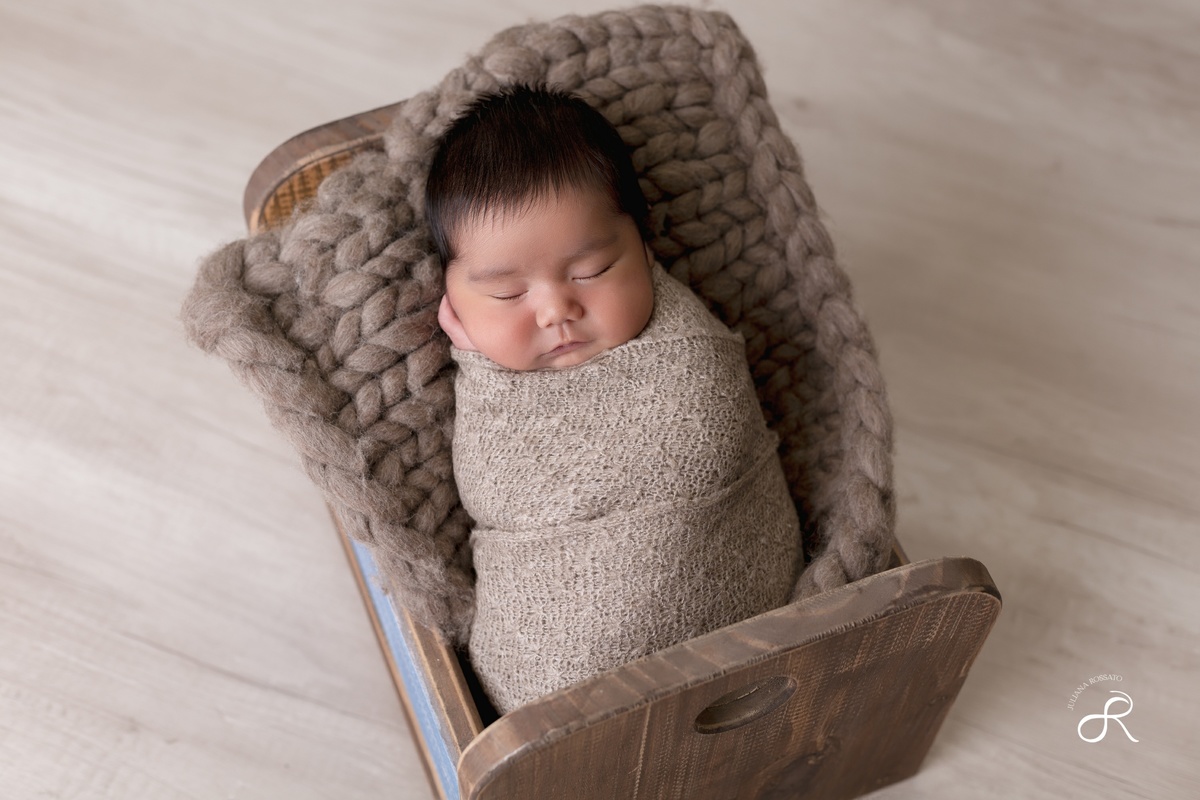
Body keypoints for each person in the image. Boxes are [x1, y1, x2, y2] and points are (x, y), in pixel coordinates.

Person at [425, 84, 801, 714]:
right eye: (507, 294)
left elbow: (707, 436)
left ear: (645, 247)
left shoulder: (690, 352)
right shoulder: (488, 386)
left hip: (756, 637)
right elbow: (498, 493)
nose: (556, 310)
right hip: (551, 693)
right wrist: (482, 370)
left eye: (592, 271)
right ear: (453, 301)